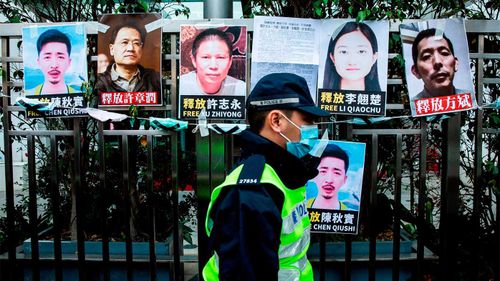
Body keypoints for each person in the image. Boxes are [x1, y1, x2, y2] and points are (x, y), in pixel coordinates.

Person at [203, 73, 330, 280]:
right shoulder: (252, 192)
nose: (313, 129)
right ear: (277, 120)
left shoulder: (283, 175)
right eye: (308, 120)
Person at [95, 21, 161, 94]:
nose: (131, 48)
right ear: (112, 49)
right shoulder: (100, 82)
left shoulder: (155, 79)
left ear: (141, 50)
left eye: (136, 43)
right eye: (124, 42)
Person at [180, 28, 246, 95]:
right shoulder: (181, 86)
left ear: (230, 62)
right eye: (206, 57)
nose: (213, 66)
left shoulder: (240, 89)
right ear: (194, 61)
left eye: (220, 57)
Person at [323, 22, 381, 92]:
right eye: (343, 52)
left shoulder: (377, 100)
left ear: (374, 57)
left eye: (361, 51)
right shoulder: (324, 99)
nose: (352, 62)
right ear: (332, 57)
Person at [410, 28, 464, 100]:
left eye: (444, 53)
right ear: (416, 71)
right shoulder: (413, 107)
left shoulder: (471, 99)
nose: (437, 61)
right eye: (426, 57)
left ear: (455, 64)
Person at [33, 29, 77, 95]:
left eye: (60, 57)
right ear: (39, 62)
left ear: (69, 62)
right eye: (47, 57)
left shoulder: (77, 95)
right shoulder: (31, 95)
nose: (54, 65)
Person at [307, 144, 349, 210]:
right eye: (323, 171)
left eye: (337, 173)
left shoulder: (349, 213)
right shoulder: (302, 210)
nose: (329, 180)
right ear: (313, 175)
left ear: (344, 179)